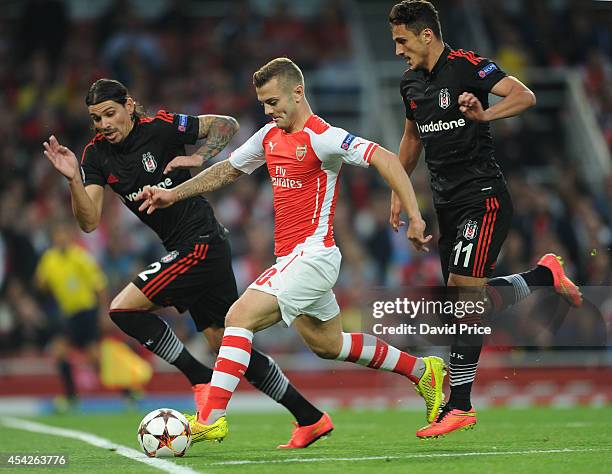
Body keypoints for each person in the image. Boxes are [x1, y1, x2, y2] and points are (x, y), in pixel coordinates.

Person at [137, 57, 447, 441]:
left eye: (272, 102)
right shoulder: (269, 136)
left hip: (313, 256)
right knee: (328, 344)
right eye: (263, 104)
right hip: (293, 259)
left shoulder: (323, 136)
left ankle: (211, 416)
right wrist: (173, 194)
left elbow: (384, 157)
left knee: (238, 318)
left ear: (298, 92)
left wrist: (414, 215)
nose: (268, 111)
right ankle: (422, 371)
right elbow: (228, 170)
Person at [42, 78, 331, 449]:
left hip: (202, 243)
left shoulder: (161, 128)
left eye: (110, 114)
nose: (104, 125)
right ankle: (310, 417)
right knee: (226, 343)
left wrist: (199, 156)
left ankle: (200, 379)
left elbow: (226, 124)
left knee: (122, 308)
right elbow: (89, 221)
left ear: (129, 106)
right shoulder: (96, 156)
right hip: (194, 247)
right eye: (96, 119)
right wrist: (73, 183)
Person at [388, 0, 582, 437]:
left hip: (484, 197)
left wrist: (485, 114)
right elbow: (411, 138)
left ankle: (459, 405)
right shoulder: (409, 85)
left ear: (425, 34)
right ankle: (542, 276)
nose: (398, 50)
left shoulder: (467, 66)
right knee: (461, 305)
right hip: (447, 205)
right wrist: (400, 193)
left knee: (465, 300)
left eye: (402, 41)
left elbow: (523, 95)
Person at [35, 220, 108, 409]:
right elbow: (40, 284)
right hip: (68, 315)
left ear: (70, 237)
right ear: (53, 239)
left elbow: (99, 285)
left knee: (94, 358)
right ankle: (70, 396)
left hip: (86, 312)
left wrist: (103, 312)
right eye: (57, 236)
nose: (61, 239)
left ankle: (128, 389)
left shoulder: (80, 257)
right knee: (59, 352)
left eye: (64, 235)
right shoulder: (49, 259)